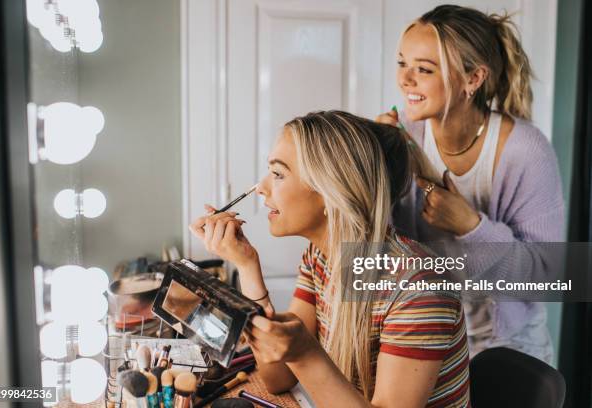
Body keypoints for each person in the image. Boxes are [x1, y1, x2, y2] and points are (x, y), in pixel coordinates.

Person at [190, 111, 470, 408]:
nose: (261, 188)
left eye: (279, 174)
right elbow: (278, 378)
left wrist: (306, 353)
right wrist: (246, 265)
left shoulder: (419, 291)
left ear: (331, 191)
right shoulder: (318, 258)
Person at [376, 5, 564, 363]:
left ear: (473, 79)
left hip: (506, 349)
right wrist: (374, 164)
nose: (405, 79)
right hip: (423, 337)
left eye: (424, 69)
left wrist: (469, 226)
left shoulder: (526, 151)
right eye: (402, 63)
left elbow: (545, 276)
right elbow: (379, 245)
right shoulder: (402, 135)